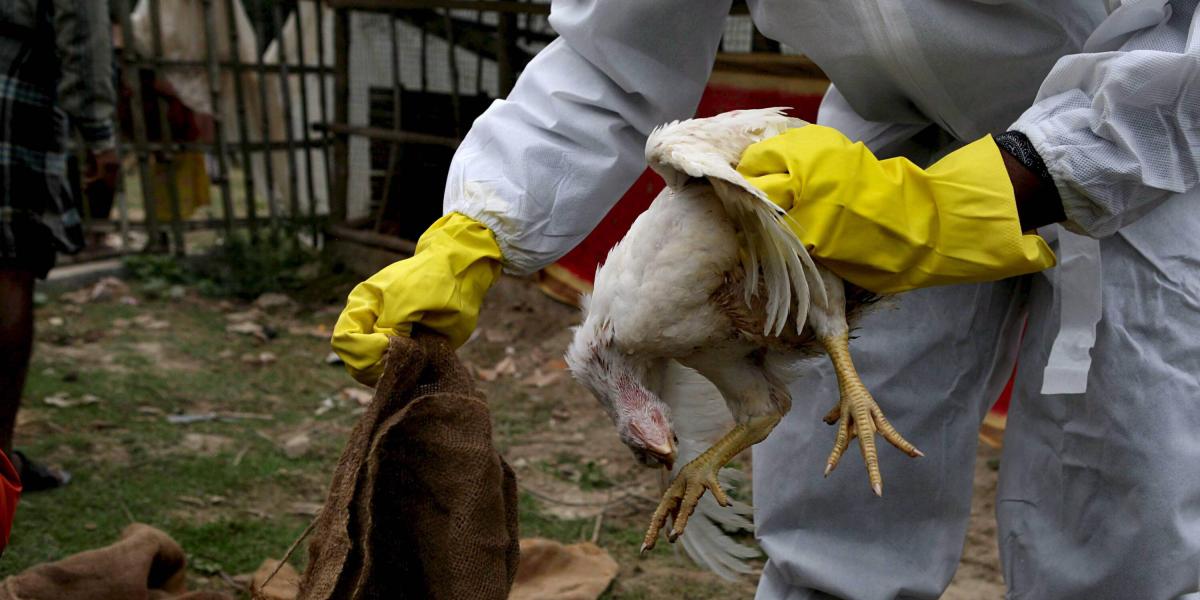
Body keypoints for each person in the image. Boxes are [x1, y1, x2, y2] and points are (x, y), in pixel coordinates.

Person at [332, 1, 1200, 598]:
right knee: (833, 530)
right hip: (868, 149)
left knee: (1121, 525)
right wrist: (476, 227)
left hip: (1139, 134)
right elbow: (610, 54)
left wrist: (1021, 182)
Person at [0, 0, 119, 491]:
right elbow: (82, 26)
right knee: (8, 265)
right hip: (14, 92)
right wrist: (99, 132)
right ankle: (0, 463)